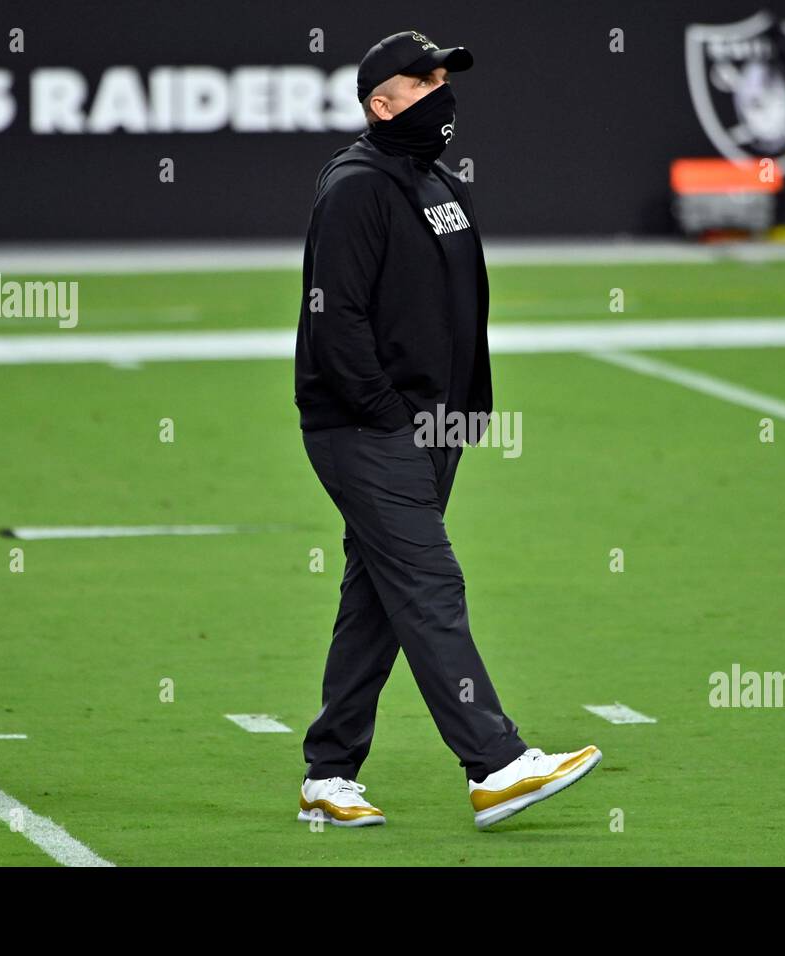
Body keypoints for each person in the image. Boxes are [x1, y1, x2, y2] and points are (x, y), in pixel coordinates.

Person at [292, 30, 600, 829]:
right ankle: (494, 764)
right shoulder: (358, 186)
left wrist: (461, 411)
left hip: (436, 425)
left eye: (444, 78)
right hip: (368, 429)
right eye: (424, 82)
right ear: (379, 104)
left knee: (380, 593)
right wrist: (390, 417)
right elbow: (338, 320)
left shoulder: (431, 178)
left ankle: (330, 772)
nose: (442, 93)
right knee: (429, 583)